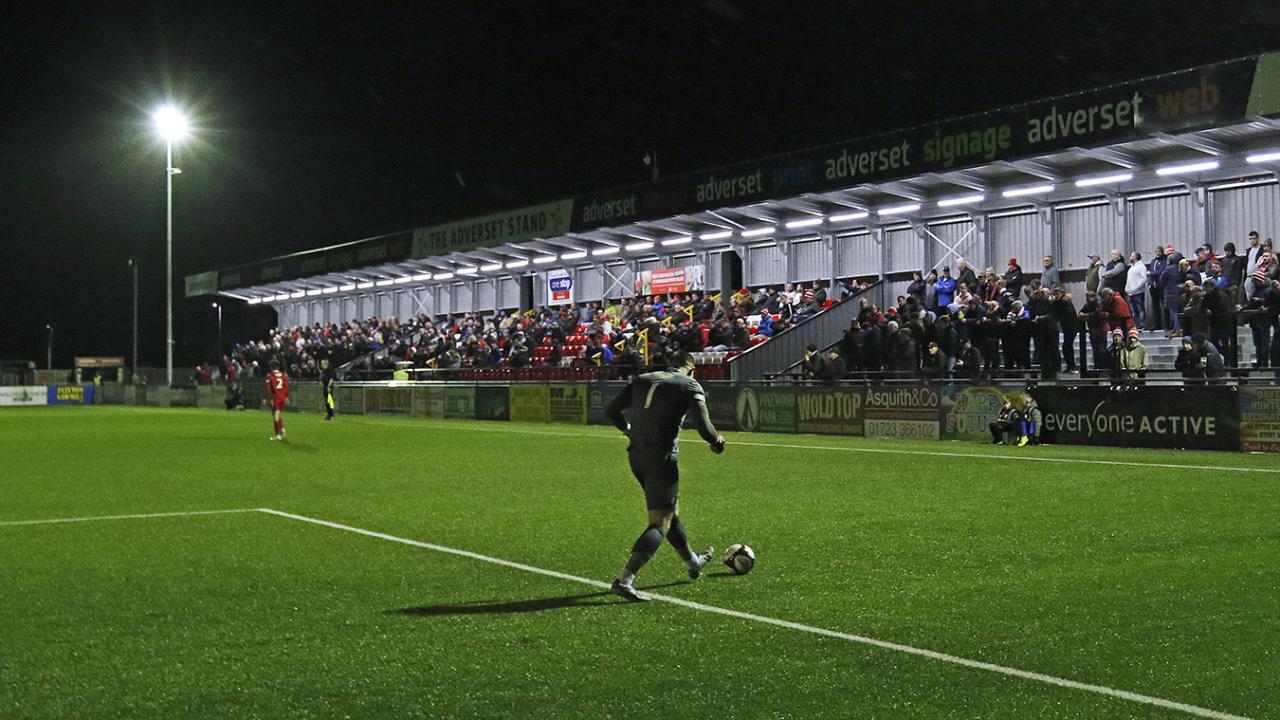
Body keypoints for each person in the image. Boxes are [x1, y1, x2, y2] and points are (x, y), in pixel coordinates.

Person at [603, 350, 723, 602]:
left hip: (635, 455)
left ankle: (693, 562)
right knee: (659, 522)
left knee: (670, 511)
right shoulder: (689, 384)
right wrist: (717, 441)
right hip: (661, 458)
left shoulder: (643, 379)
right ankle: (625, 579)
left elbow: (612, 410)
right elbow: (704, 426)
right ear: (692, 369)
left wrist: (627, 430)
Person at [264, 359, 289, 440]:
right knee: (275, 414)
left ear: (271, 367)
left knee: (276, 416)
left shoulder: (270, 376)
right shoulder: (283, 375)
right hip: (283, 397)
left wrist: (266, 397)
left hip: (276, 398)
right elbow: (286, 387)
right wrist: (287, 397)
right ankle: (281, 429)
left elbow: (268, 388)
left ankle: (279, 433)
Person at [1125, 251, 1148, 330]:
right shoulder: (1132, 267)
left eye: (1132, 256)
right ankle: (1136, 325)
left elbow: (1144, 278)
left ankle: (1142, 325)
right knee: (1134, 310)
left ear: (1135, 257)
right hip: (1131, 293)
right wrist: (1127, 289)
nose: (1130, 257)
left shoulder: (1141, 267)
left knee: (1140, 308)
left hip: (1138, 292)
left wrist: (1137, 287)